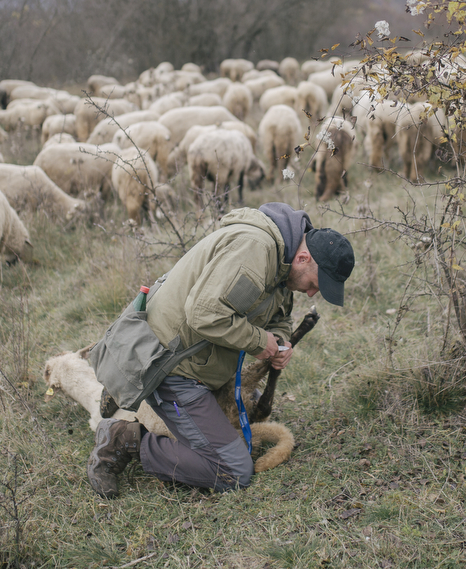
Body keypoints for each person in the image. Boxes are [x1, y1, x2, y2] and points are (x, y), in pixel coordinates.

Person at [86, 201, 355, 498]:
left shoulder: (283, 264)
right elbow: (204, 314)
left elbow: (280, 317)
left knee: (247, 408)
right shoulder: (255, 250)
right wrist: (258, 341)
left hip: (203, 368)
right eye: (315, 284)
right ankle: (123, 438)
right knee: (232, 470)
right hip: (171, 367)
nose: (312, 293)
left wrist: (279, 342)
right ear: (304, 258)